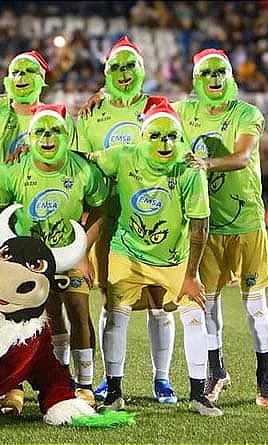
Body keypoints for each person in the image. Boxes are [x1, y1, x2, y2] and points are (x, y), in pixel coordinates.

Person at [90, 97, 222, 416]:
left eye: (171, 136)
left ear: (179, 138)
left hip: (175, 260)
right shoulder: (122, 157)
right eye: (156, 135)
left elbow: (200, 225)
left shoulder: (189, 171)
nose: (164, 143)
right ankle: (115, 391)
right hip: (128, 252)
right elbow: (85, 159)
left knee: (194, 315)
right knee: (115, 313)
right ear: (142, 137)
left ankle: (197, 394)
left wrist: (190, 276)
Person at [75, 36, 178, 404]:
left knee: (158, 300)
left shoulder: (158, 107)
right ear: (106, 72)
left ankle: (162, 379)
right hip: (110, 220)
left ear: (141, 70)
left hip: (156, 220)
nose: (122, 73)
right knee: (113, 299)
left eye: (129, 65)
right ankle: (109, 379)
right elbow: (80, 159)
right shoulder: (91, 114)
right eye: (115, 67)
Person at [178, 49, 268, 406]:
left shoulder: (247, 113)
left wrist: (204, 163)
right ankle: (216, 370)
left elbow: (242, 157)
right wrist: (101, 98)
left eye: (221, 71)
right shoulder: (184, 112)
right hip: (207, 226)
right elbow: (147, 113)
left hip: (246, 222)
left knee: (255, 306)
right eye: (207, 73)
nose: (214, 78)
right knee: (208, 305)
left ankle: (263, 375)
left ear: (230, 76)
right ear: (196, 79)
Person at [0, 103, 108, 407]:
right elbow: (1, 211)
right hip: (29, 264)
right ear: (29, 137)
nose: (48, 138)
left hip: (70, 255)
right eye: (40, 132)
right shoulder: (12, 171)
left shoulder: (84, 170)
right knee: (39, 318)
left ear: (66, 135)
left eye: (55, 130)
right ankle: (41, 383)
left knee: (79, 312)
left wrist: (84, 250)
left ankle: (84, 385)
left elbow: (100, 209)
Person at [0, 50, 55, 171]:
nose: (21, 76)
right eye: (15, 72)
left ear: (42, 79)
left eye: (29, 71)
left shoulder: (58, 121)